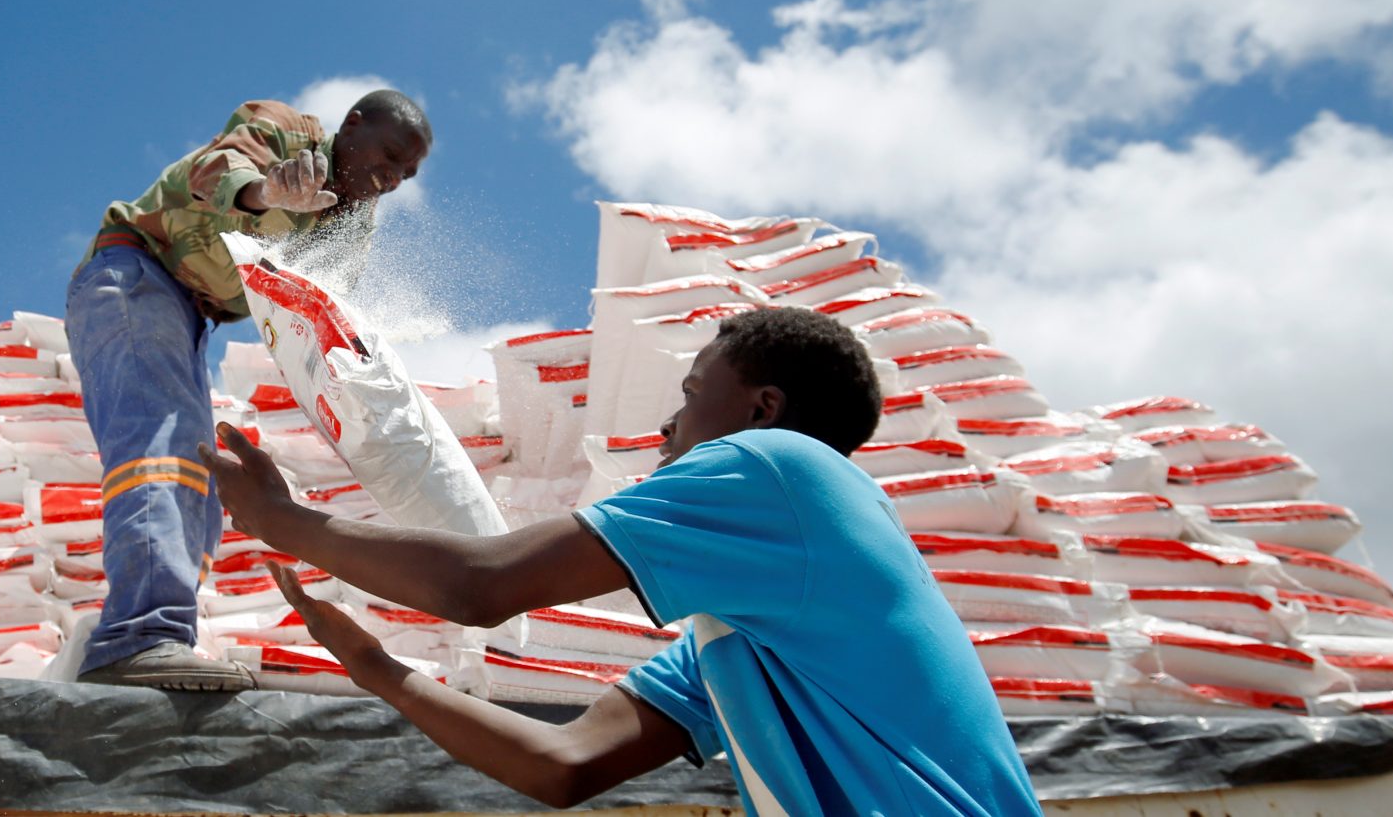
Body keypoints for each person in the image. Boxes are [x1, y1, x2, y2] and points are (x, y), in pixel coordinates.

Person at [205, 307, 1043, 814]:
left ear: (763, 408)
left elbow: (481, 583)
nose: (664, 430)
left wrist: (284, 519)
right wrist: (377, 668)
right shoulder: (744, 633)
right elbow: (562, 765)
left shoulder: (777, 465)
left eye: (688, 393)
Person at [69, 92, 431, 691]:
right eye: (390, 156)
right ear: (354, 126)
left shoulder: (351, 218)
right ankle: (137, 640)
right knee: (163, 447)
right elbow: (220, 170)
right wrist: (268, 192)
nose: (393, 179)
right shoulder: (285, 133)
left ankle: (159, 638)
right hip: (135, 276)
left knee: (206, 475)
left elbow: (326, 309)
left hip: (187, 315)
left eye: (407, 173)